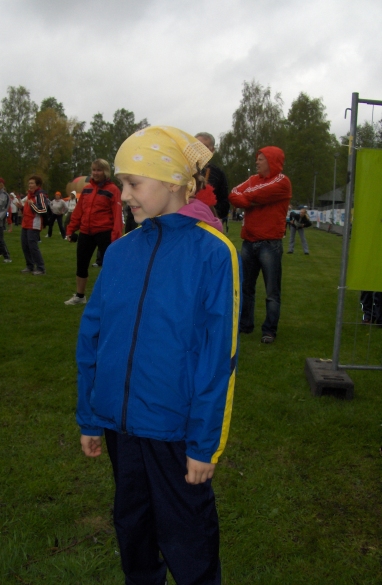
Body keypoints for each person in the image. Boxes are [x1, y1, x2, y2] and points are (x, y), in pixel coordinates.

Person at [76, 126, 240, 585]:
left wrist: (204, 445)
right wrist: (90, 416)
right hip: (119, 425)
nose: (124, 194)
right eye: (121, 183)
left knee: (188, 535)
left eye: (133, 183)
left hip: (175, 429)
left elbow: (218, 358)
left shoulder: (213, 253)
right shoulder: (120, 252)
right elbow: (92, 337)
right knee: (133, 527)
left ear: (173, 182)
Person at [229, 146, 291, 344]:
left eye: (261, 159)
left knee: (272, 291)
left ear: (272, 161)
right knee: (246, 287)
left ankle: (269, 330)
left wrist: (246, 200)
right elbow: (233, 194)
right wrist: (249, 200)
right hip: (249, 242)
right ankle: (245, 325)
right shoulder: (253, 180)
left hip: (270, 244)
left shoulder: (282, 182)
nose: (257, 162)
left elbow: (248, 195)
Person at [64, 159, 122, 305]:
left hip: (104, 232)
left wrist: (116, 236)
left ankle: (112, 296)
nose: (95, 173)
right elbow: (78, 212)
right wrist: (70, 230)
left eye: (99, 170)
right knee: (81, 264)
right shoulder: (87, 189)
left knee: (110, 265)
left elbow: (117, 215)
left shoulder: (113, 190)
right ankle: (80, 296)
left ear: (106, 172)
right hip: (86, 232)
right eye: (94, 170)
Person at [195, 132, 230, 221]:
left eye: (205, 147)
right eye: (197, 146)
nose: (201, 150)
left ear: (212, 150)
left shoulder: (218, 174)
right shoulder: (183, 170)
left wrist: (209, 208)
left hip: (206, 221)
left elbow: (224, 204)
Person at [19, 175, 49, 275]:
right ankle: (30, 266)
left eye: (32, 183)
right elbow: (28, 210)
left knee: (33, 246)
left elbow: (43, 210)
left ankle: (41, 268)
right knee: (25, 245)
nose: (30, 185)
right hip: (25, 223)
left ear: (38, 185)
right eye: (29, 183)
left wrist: (32, 204)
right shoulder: (29, 195)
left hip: (34, 224)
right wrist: (21, 208)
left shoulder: (40, 195)